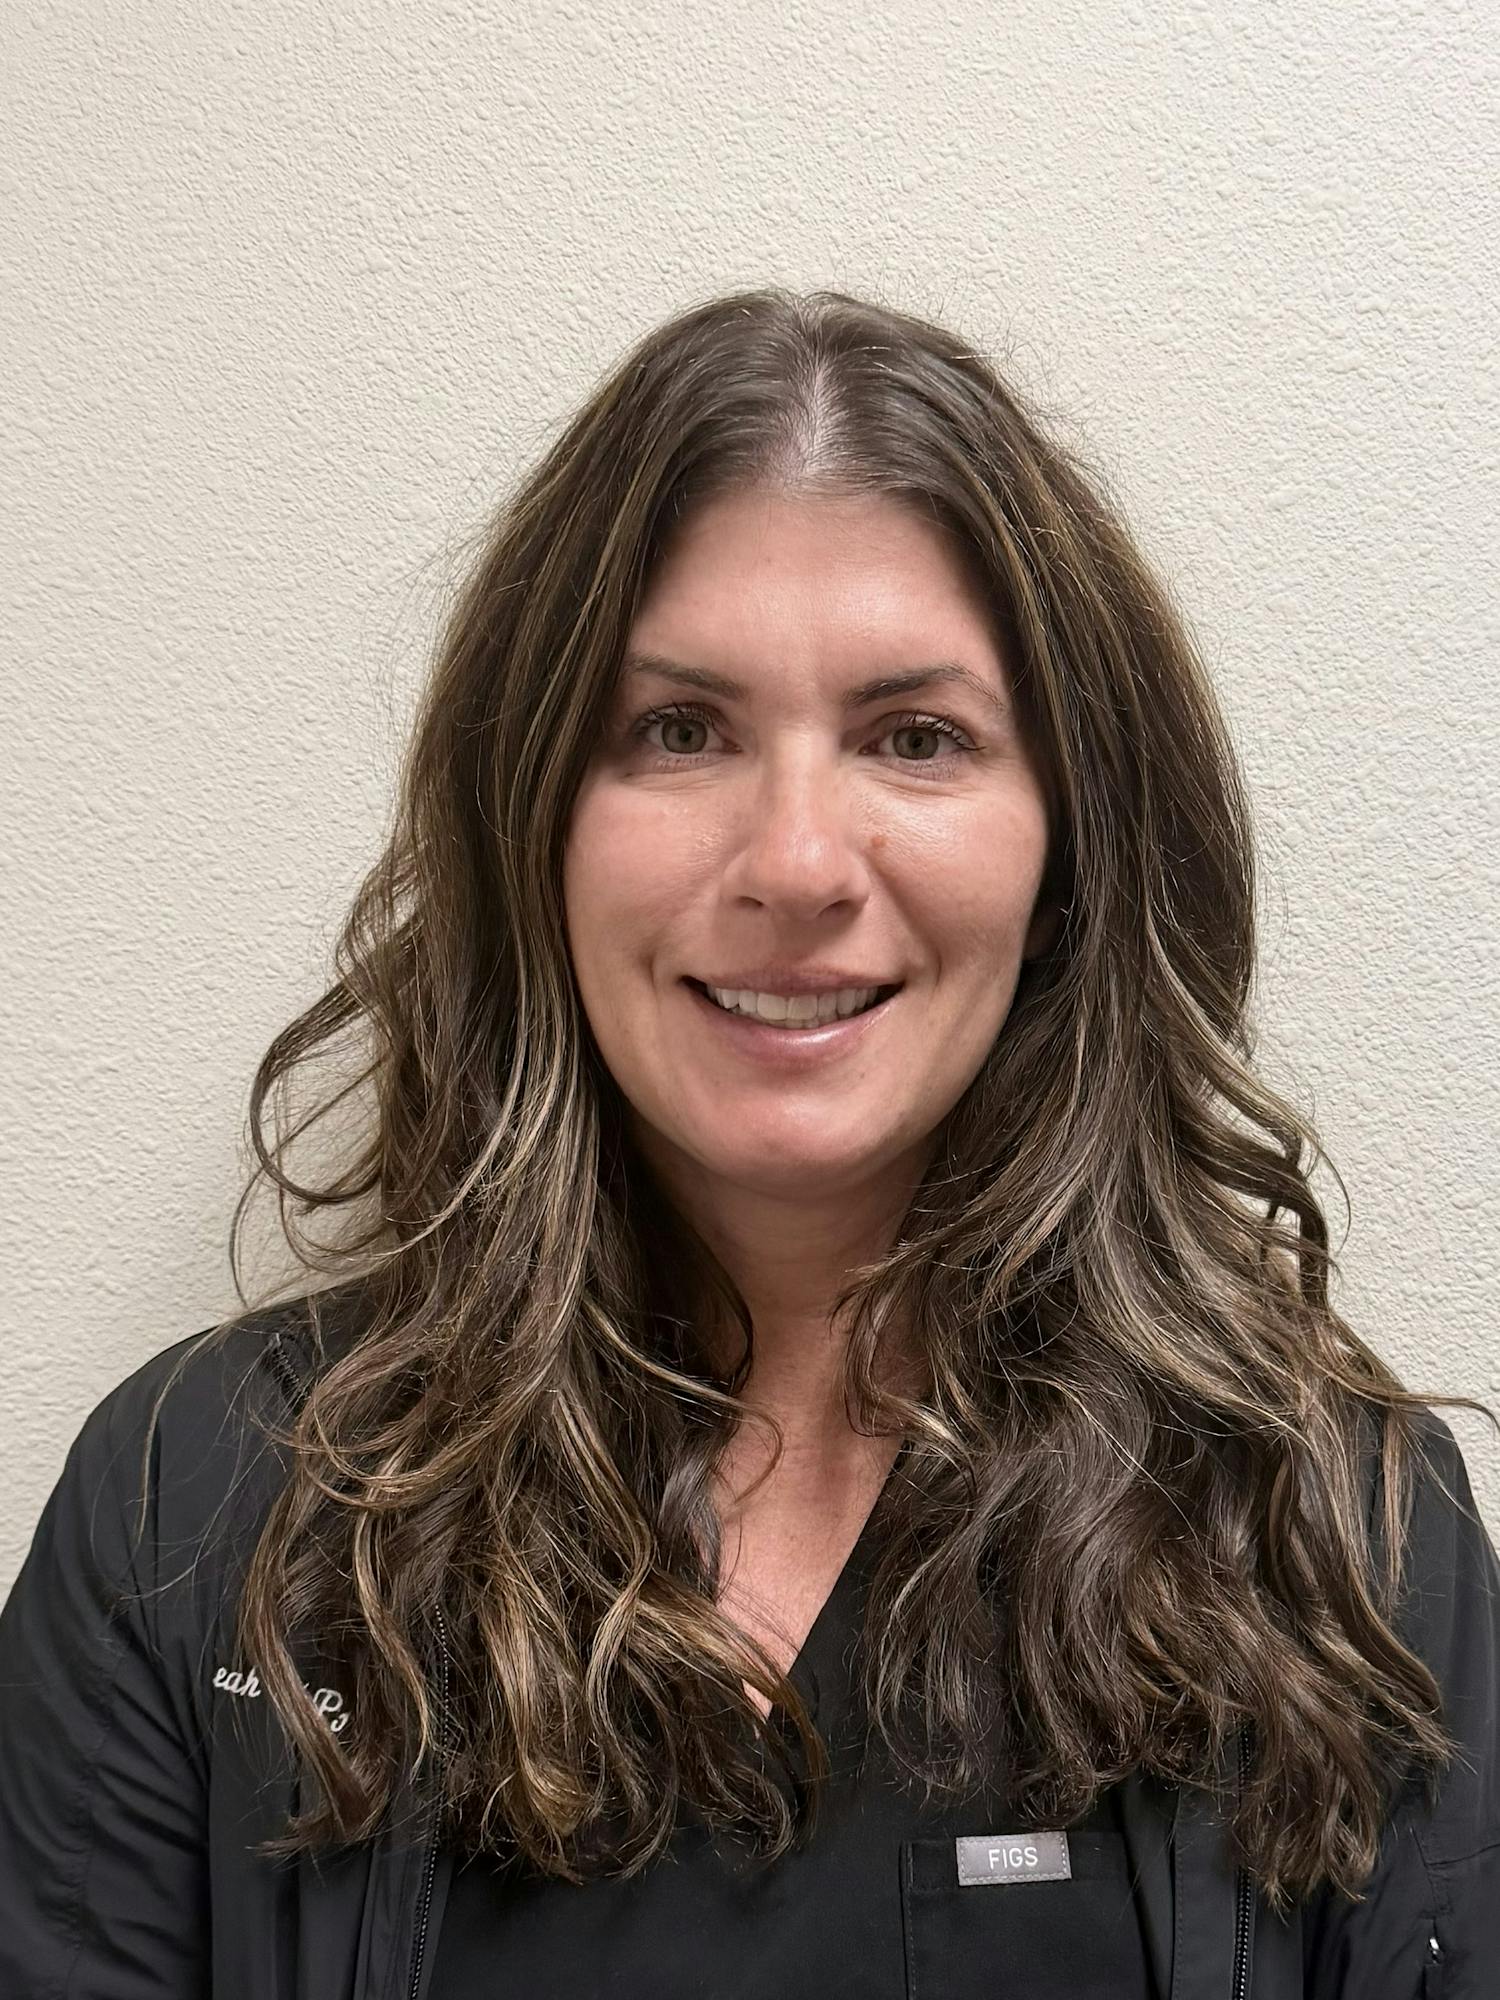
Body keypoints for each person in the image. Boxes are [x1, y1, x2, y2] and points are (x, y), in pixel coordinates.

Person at [1, 287, 1496, 2000]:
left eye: (915, 737)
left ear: (1069, 847)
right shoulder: (190, 1525)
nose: (796, 859)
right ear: (534, 825)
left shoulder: (1328, 1532)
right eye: (680, 732)